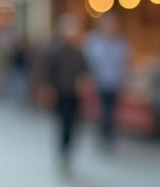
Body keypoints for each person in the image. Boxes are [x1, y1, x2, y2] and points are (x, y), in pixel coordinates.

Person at [38, 14, 91, 176]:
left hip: (74, 95)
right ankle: (62, 153)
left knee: (73, 126)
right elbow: (46, 72)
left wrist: (84, 83)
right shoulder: (55, 50)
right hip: (60, 93)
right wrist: (47, 88)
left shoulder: (78, 52)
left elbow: (85, 72)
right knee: (63, 124)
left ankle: (67, 154)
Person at [84, 14, 129, 150]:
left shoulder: (120, 42)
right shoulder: (94, 41)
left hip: (114, 81)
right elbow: (89, 61)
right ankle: (104, 135)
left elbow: (124, 62)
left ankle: (109, 135)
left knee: (112, 111)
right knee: (105, 110)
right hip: (100, 82)